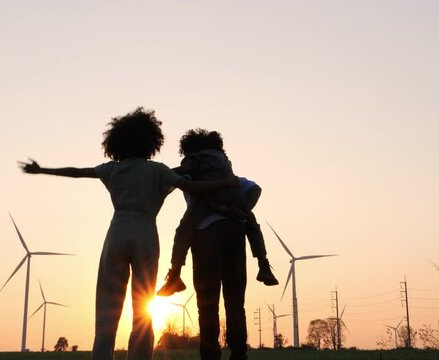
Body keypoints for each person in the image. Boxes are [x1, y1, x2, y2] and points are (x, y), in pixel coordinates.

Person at [18, 108, 237, 360]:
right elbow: (191, 186)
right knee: (143, 311)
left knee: (106, 313)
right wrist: (224, 182)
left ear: (117, 141)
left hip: (117, 232)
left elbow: (77, 172)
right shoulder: (158, 171)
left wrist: (42, 169)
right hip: (145, 236)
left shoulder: (113, 169)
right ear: (151, 141)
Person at [156, 129, 254, 360]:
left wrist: (160, 173)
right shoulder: (230, 170)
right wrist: (238, 211)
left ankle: (174, 275)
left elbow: (176, 176)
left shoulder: (193, 163)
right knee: (235, 301)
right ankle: (239, 354)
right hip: (234, 232)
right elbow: (255, 189)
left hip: (205, 233)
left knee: (207, 302)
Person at [157, 130, 278, 297]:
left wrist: (164, 174)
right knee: (252, 225)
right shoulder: (223, 160)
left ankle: (175, 275)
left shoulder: (195, 158)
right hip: (234, 202)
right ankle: (263, 265)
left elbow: (183, 174)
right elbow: (255, 189)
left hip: (205, 207)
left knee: (183, 231)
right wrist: (242, 209)